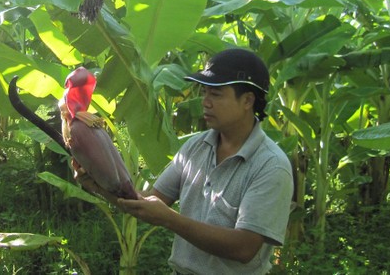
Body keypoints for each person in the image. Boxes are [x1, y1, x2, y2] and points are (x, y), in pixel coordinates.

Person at [110, 48, 293, 274]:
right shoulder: (195, 147)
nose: (205, 102)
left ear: (247, 100)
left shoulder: (270, 165)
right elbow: (147, 202)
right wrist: (96, 182)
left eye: (215, 95)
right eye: (204, 93)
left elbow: (245, 247)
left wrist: (171, 220)